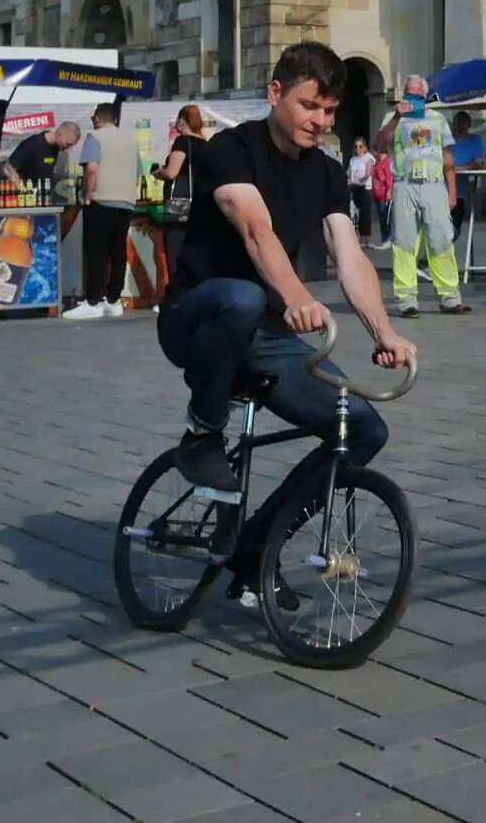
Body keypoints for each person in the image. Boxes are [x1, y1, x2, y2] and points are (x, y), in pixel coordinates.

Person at [155, 43, 418, 604]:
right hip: (197, 317)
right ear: (276, 94)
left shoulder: (325, 172)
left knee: (363, 429)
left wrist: (384, 333)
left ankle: (259, 546)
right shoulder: (229, 149)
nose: (320, 122)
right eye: (309, 107)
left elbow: (349, 255)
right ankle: (202, 431)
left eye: (329, 111)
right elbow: (254, 231)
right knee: (246, 297)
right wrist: (297, 296)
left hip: (266, 337)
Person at [380, 76, 469, 316]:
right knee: (404, 242)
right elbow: (379, 144)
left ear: (425, 97)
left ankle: (450, 297)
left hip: (433, 185)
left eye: (417, 96)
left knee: (441, 240)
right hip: (405, 185)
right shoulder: (392, 118)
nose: (412, 99)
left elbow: (448, 157)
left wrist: (452, 193)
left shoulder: (438, 119)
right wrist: (398, 117)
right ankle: (406, 299)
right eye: (408, 94)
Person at [69, 100, 141, 321]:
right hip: (126, 201)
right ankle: (113, 299)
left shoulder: (95, 137)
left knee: (97, 251)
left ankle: (93, 301)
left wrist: (88, 194)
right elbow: (138, 171)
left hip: (101, 201)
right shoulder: (131, 141)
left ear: (98, 118)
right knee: (117, 252)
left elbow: (91, 169)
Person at [154, 105, 209, 284]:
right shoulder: (206, 144)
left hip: (180, 205)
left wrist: (159, 172)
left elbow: (172, 173)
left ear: (182, 120)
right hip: (201, 204)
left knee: (175, 248)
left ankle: (178, 293)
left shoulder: (182, 142)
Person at [4, 121, 81, 201]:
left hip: (44, 199)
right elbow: (7, 168)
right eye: (68, 144)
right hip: (28, 200)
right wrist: (23, 190)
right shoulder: (34, 144)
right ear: (60, 132)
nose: (68, 148)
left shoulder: (55, 148)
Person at [344, 138, 375, 243]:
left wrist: (360, 180)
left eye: (360, 146)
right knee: (356, 213)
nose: (358, 148)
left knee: (365, 213)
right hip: (354, 187)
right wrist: (348, 181)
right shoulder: (353, 160)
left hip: (364, 187)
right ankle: (358, 237)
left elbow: (368, 173)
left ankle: (366, 237)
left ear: (365, 147)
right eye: (356, 146)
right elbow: (349, 173)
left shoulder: (368, 158)